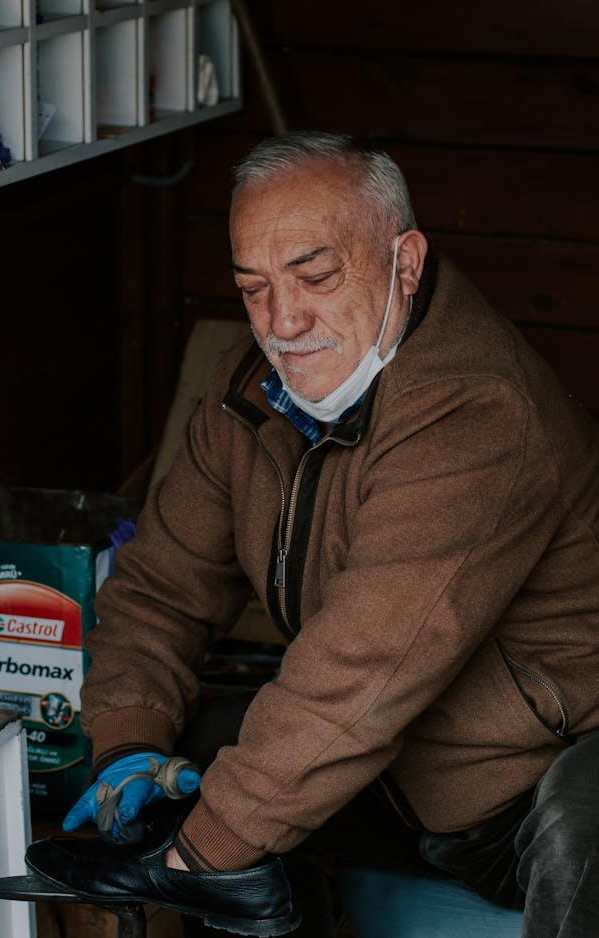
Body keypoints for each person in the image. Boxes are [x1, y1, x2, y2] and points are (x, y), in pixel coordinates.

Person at [31, 132, 599, 937]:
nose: (283, 320)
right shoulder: (250, 395)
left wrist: (206, 856)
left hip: (525, 788)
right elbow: (161, 586)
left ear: (405, 264)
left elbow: (366, 667)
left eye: (316, 276)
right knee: (169, 770)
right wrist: (126, 741)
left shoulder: (478, 409)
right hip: (392, 771)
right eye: (253, 286)